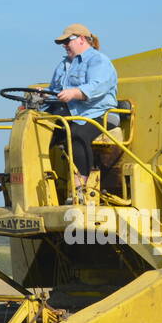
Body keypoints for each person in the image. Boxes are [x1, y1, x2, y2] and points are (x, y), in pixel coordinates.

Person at [47, 24, 118, 195]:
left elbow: (97, 86)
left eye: (67, 40)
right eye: (62, 42)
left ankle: (81, 188)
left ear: (81, 39)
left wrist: (75, 92)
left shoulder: (99, 61)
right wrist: (44, 96)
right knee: (41, 130)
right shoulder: (63, 65)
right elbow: (55, 90)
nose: (64, 45)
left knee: (78, 133)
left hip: (99, 113)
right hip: (70, 113)